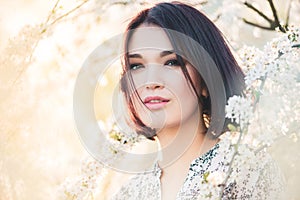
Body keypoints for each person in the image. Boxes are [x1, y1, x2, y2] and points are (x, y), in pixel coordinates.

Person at [109, 2, 284, 199]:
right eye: (136, 66)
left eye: (172, 62)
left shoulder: (249, 173)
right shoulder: (127, 195)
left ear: (206, 79)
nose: (151, 82)